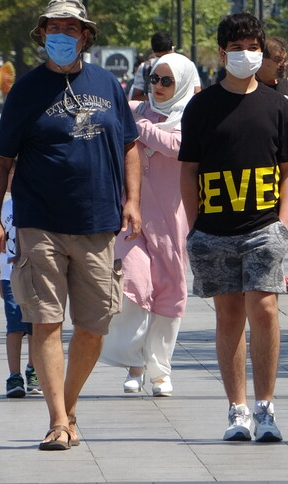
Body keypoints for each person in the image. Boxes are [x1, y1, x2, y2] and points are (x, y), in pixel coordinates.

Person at [0, 0, 142, 451]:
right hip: (39, 224)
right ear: (42, 35)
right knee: (45, 322)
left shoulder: (107, 83)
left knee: (95, 325)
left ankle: (67, 405)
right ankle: (56, 420)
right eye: (53, 28)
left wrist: (134, 201)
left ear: (85, 36)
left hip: (98, 225)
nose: (61, 37)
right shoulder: (27, 91)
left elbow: (130, 146)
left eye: (70, 29)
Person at [179, 13, 288, 443]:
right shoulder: (201, 106)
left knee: (264, 309)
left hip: (264, 227)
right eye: (237, 46)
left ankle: (266, 407)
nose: (246, 53)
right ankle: (238, 409)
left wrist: (283, 223)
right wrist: (194, 226)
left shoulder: (278, 106)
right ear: (221, 52)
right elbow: (188, 170)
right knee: (228, 314)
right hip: (213, 230)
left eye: (254, 46)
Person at [100, 52, 199, 397]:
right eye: (154, 79)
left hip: (174, 220)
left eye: (167, 81)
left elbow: (179, 146)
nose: (157, 87)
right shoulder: (135, 109)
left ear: (182, 82)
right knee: (136, 285)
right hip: (133, 216)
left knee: (169, 293)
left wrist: (139, 128)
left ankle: (160, 370)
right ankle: (134, 365)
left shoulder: (191, 116)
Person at [256, 37, 288, 294]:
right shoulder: (252, 86)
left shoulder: (283, 85)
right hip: (262, 164)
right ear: (261, 60)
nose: (282, 64)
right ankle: (269, 271)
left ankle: (278, 267)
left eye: (284, 59)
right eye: (277, 59)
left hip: (286, 163)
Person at [0, 164, 41, 398]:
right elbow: (0, 246)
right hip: (10, 275)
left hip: (36, 272)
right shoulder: (4, 209)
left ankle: (33, 369)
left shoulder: (39, 205)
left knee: (35, 325)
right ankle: (14, 376)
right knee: (14, 327)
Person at [130, 32, 174, 101]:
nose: (159, 86)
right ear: (153, 52)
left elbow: (195, 93)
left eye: (166, 56)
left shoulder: (186, 66)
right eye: (159, 57)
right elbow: (136, 98)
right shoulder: (145, 68)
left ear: (172, 49)